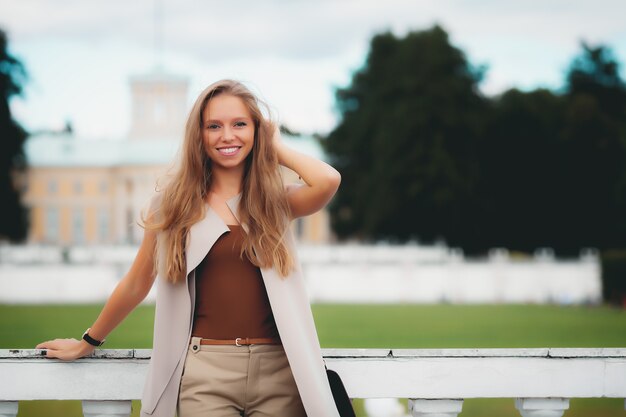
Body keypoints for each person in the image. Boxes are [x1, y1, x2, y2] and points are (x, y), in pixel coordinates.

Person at [36, 79, 342, 417]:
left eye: (240, 124)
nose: (227, 135)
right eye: (214, 126)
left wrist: (273, 144)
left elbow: (328, 180)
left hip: (279, 373)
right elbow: (137, 282)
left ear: (257, 131)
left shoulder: (275, 202)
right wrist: (87, 342)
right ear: (199, 135)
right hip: (206, 371)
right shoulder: (173, 206)